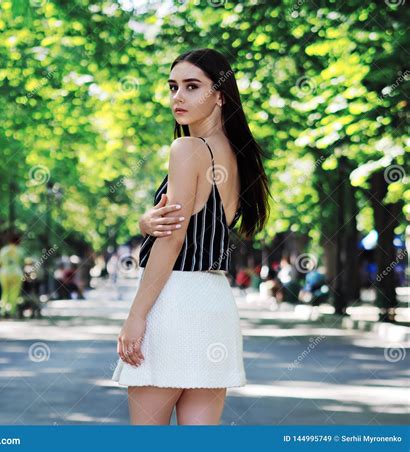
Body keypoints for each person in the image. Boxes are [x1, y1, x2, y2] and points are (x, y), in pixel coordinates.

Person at [111, 48, 271, 425]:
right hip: (214, 303)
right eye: (172, 87)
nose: (177, 97)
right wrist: (144, 222)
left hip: (173, 302)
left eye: (192, 86)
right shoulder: (234, 154)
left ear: (220, 95)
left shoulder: (187, 149)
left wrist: (136, 316)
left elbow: (173, 240)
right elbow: (185, 222)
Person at [0, 232, 25, 318]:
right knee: (14, 293)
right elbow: (23, 263)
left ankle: (3, 311)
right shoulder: (20, 250)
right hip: (17, 273)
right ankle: (12, 311)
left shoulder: (3, 250)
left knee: (4, 292)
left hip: (4, 273)